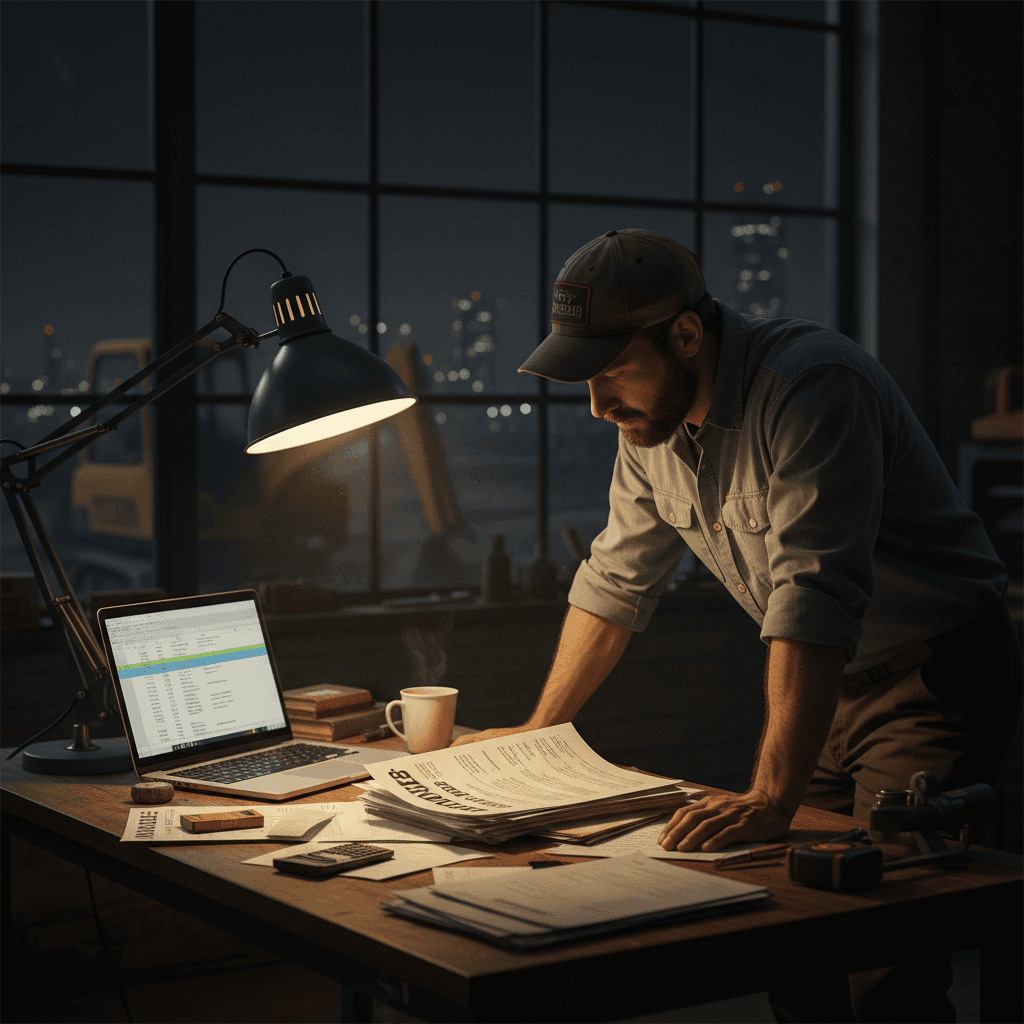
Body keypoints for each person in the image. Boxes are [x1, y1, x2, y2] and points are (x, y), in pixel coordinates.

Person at [452, 229, 1022, 1023]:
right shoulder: (648, 428)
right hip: (828, 685)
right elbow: (614, 581)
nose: (598, 404)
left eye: (614, 370)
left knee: (882, 952)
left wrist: (771, 792)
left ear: (686, 334)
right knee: (790, 937)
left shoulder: (813, 387)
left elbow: (811, 595)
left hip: (928, 677)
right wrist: (536, 733)